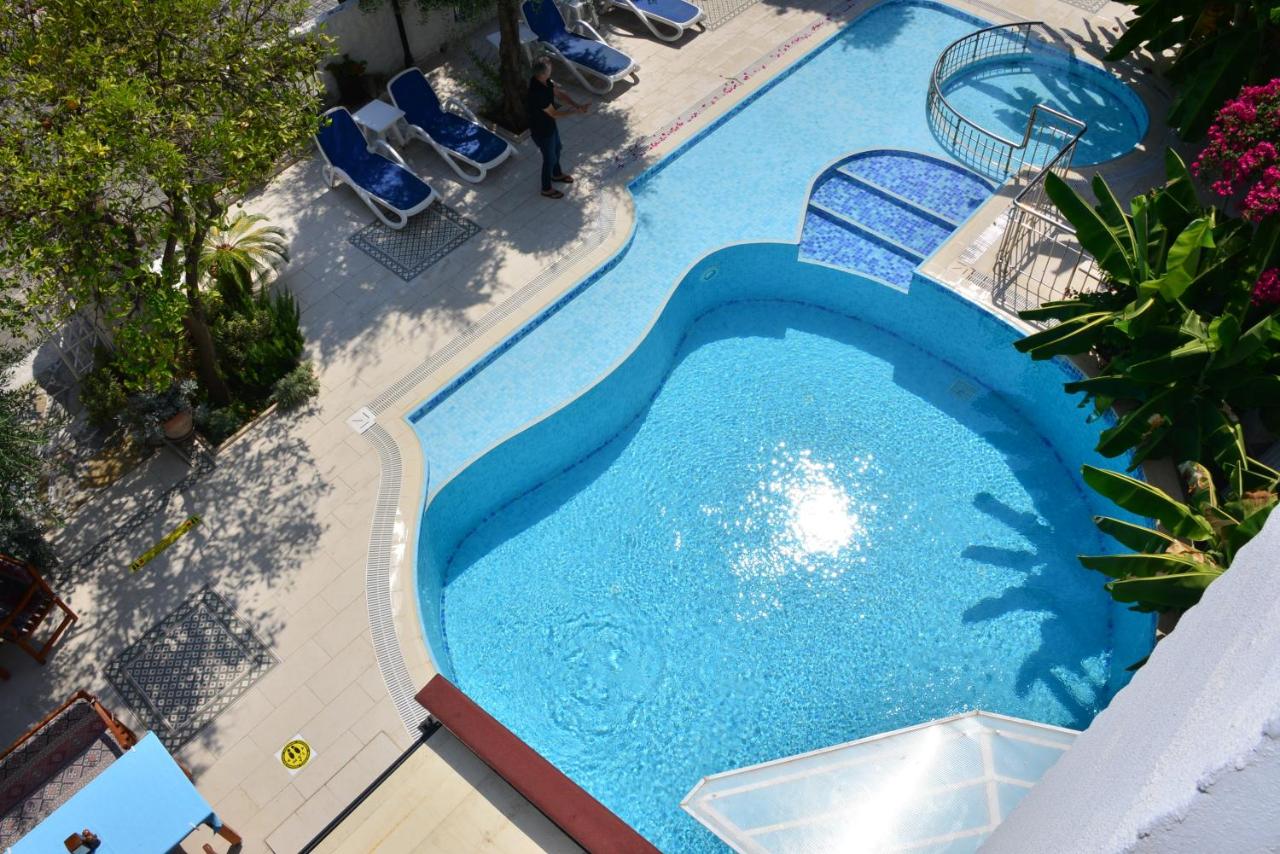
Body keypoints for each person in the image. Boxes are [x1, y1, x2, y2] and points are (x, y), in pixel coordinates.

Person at [527, 58, 589, 199]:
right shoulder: (538, 93)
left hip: (549, 124)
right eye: (549, 67)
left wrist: (576, 105)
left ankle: (556, 174)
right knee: (549, 158)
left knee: (557, 148)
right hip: (541, 130)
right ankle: (546, 188)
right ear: (543, 73)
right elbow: (554, 114)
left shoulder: (545, 81)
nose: (552, 68)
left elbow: (559, 93)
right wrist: (575, 112)